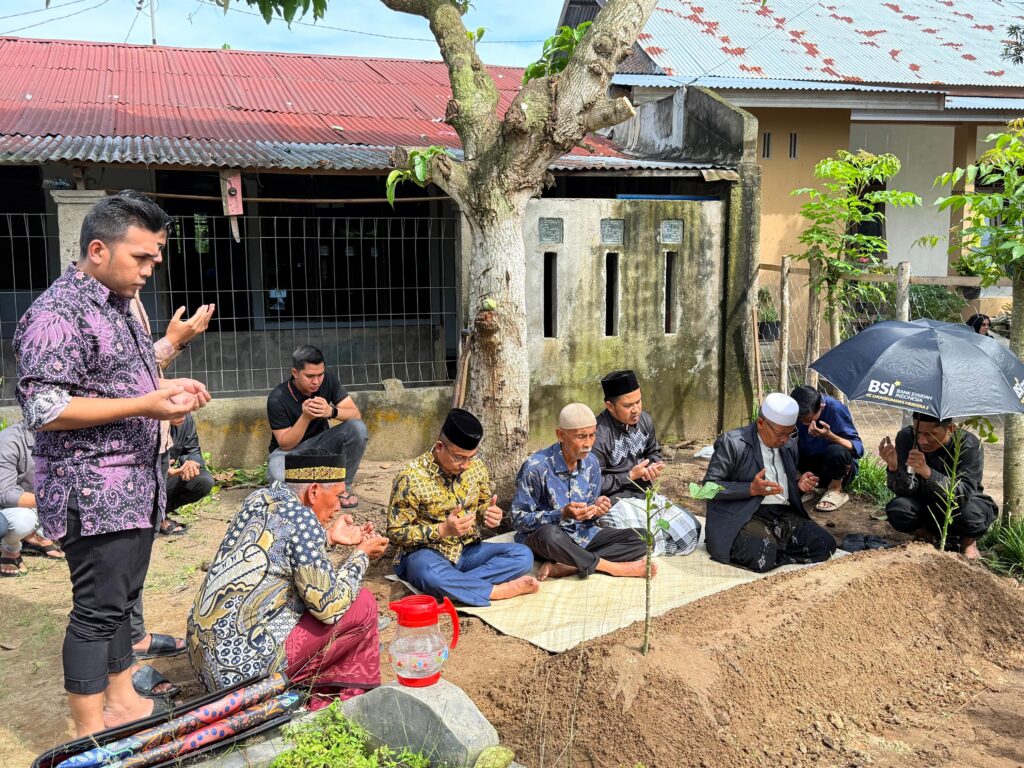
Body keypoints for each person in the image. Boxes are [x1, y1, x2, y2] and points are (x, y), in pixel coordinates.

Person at [14, 191, 209, 736]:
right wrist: (145, 404)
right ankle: (87, 727)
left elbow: (117, 379)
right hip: (92, 492)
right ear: (97, 249)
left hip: (132, 487)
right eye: (142, 257)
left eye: (157, 257)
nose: (152, 268)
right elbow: (45, 407)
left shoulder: (120, 303)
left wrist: (165, 385)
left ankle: (123, 701)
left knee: (122, 602)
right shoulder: (56, 315)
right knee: (97, 612)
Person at [187, 453, 388, 710]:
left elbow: (280, 549)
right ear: (314, 491)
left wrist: (328, 538)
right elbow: (329, 608)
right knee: (362, 602)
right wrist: (360, 556)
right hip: (245, 678)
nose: (339, 507)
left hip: (204, 661)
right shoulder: (304, 520)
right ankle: (347, 694)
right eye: (337, 496)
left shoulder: (259, 499)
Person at [387, 408, 537, 606]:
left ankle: (453, 584)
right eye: (459, 457)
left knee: (523, 555)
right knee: (427, 572)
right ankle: (494, 590)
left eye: (471, 457)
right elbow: (395, 532)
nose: (466, 465)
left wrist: (489, 514)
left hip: (467, 552)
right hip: (426, 554)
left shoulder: (476, 468)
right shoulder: (410, 477)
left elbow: (483, 504)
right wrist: (442, 530)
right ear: (440, 447)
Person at [511, 403, 651, 580]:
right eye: (581, 437)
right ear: (561, 435)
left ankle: (570, 565)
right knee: (549, 534)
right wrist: (561, 514)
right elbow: (518, 520)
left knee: (644, 538)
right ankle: (613, 568)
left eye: (592, 435)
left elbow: (590, 511)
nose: (588, 444)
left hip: (583, 536)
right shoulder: (536, 468)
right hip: (549, 541)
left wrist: (596, 508)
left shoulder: (592, 463)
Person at [703, 393, 837, 573]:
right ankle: (774, 549)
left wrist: (798, 486)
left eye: (790, 434)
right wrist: (750, 489)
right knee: (761, 556)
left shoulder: (789, 445)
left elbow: (783, 488)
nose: (785, 440)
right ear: (761, 423)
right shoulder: (733, 443)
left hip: (781, 514)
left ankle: (776, 550)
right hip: (745, 515)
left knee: (825, 545)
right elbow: (708, 488)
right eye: (780, 434)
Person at [593, 370, 701, 556]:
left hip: (645, 496)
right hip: (615, 501)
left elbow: (653, 452)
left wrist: (653, 466)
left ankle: (651, 549)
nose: (636, 409)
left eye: (638, 401)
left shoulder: (645, 421)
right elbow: (593, 484)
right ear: (610, 406)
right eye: (628, 405)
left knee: (691, 529)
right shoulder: (597, 434)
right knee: (641, 540)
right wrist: (629, 476)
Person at [879, 412, 998, 560]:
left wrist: (927, 472)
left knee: (973, 516)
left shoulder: (969, 445)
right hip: (923, 502)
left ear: (950, 428)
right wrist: (894, 467)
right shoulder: (906, 438)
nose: (922, 440)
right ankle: (926, 537)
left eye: (930, 434)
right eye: (918, 433)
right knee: (898, 509)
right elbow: (906, 490)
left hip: (961, 506)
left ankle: (968, 543)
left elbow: (963, 494)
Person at [267, 345, 367, 507]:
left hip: (322, 446)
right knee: (277, 475)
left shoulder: (329, 381)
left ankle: (340, 488)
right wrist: (305, 418)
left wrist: (331, 411)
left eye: (320, 374)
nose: (316, 381)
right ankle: (315, 491)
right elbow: (285, 444)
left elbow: (355, 414)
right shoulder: (277, 398)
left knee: (358, 428)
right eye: (310, 376)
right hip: (291, 453)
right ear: (295, 373)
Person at [0, 421, 63, 576]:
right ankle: (10, 550)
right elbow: (5, 494)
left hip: (40, 504)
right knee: (23, 521)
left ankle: (37, 536)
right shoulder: (9, 440)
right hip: (11, 507)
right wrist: (55, 501)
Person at [790, 386, 864, 513]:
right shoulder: (793, 412)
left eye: (809, 420)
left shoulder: (835, 410)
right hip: (809, 467)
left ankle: (835, 489)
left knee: (836, 451)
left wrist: (831, 437)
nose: (804, 424)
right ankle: (806, 485)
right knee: (785, 443)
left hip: (837, 469)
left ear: (821, 407)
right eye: (800, 420)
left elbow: (858, 449)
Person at [164, 413, 215, 524]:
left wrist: (192, 463)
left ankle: (159, 515)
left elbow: (191, 450)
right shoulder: (145, 420)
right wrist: (158, 466)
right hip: (139, 480)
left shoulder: (185, 419)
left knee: (203, 480)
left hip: (166, 476)